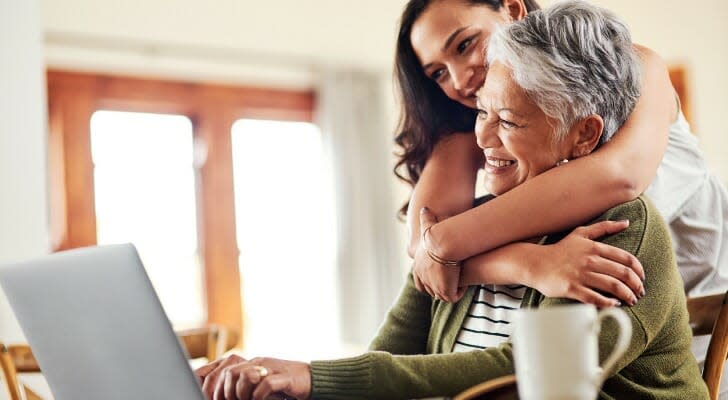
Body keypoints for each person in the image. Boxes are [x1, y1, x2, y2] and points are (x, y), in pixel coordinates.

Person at [195, 3, 708, 398]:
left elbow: (524, 374)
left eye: (506, 120)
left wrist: (446, 245)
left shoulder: (619, 222)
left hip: (700, 306)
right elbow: (410, 301)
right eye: (482, 113)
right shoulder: (482, 199)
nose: (483, 136)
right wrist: (287, 378)